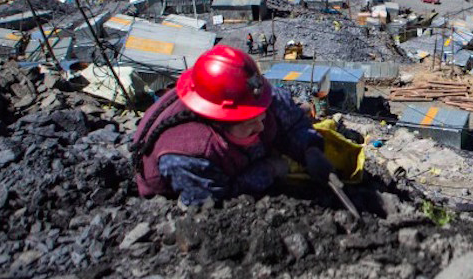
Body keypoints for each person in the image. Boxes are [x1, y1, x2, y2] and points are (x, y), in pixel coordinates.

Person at [130, 45, 334, 206]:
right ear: (219, 121)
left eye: (261, 117)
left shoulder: (253, 96)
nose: (260, 127)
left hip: (235, 156)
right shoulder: (187, 154)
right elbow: (216, 197)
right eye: (249, 123)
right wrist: (269, 169)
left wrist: (310, 148)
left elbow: (292, 121)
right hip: (191, 188)